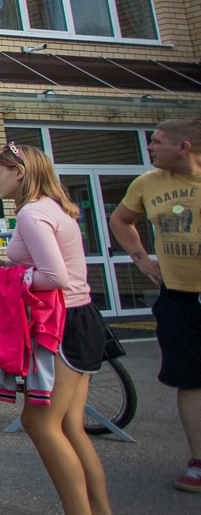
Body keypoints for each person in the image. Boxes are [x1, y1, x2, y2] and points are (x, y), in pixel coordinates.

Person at [0, 142, 125, 515]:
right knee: (69, 426)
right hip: (81, 320)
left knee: (40, 423)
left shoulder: (31, 212)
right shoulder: (54, 209)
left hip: (60, 325)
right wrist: (9, 267)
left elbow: (54, 276)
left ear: (20, 172)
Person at [110, 116, 201, 493]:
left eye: (157, 142)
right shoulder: (147, 184)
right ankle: (198, 462)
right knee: (190, 378)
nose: (149, 148)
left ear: (184, 147)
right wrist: (140, 257)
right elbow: (121, 220)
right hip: (179, 297)